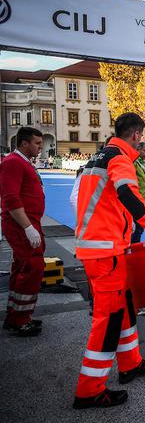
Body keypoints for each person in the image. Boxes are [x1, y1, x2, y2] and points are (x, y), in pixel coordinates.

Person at [72, 113, 145, 409]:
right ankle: (89, 390)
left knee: (124, 308)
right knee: (108, 320)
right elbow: (129, 194)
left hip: (102, 247)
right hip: (106, 251)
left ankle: (130, 363)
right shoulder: (120, 159)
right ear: (137, 135)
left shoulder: (98, 157)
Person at [0, 127, 46, 337]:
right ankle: (19, 319)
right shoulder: (13, 163)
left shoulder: (21, 162)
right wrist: (27, 227)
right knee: (32, 266)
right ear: (24, 143)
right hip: (21, 224)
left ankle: (17, 315)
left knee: (22, 266)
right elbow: (10, 197)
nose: (40, 147)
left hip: (28, 222)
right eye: (37, 143)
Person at [131, 141, 145, 243]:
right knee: (136, 231)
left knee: (139, 230)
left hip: (143, 203)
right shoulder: (134, 162)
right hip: (136, 203)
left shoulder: (142, 163)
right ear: (138, 149)